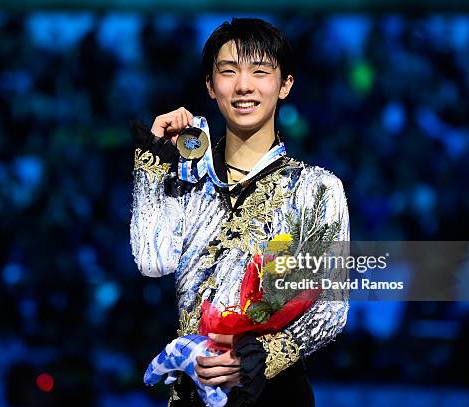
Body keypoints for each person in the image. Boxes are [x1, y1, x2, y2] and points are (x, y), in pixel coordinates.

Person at [130, 17, 349, 406]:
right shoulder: (187, 182)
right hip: (194, 391)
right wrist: (153, 169)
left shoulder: (317, 189)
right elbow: (152, 261)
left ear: (285, 86)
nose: (244, 85)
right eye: (228, 71)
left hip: (273, 392)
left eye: (260, 72)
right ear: (211, 87)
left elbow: (330, 311)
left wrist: (255, 357)